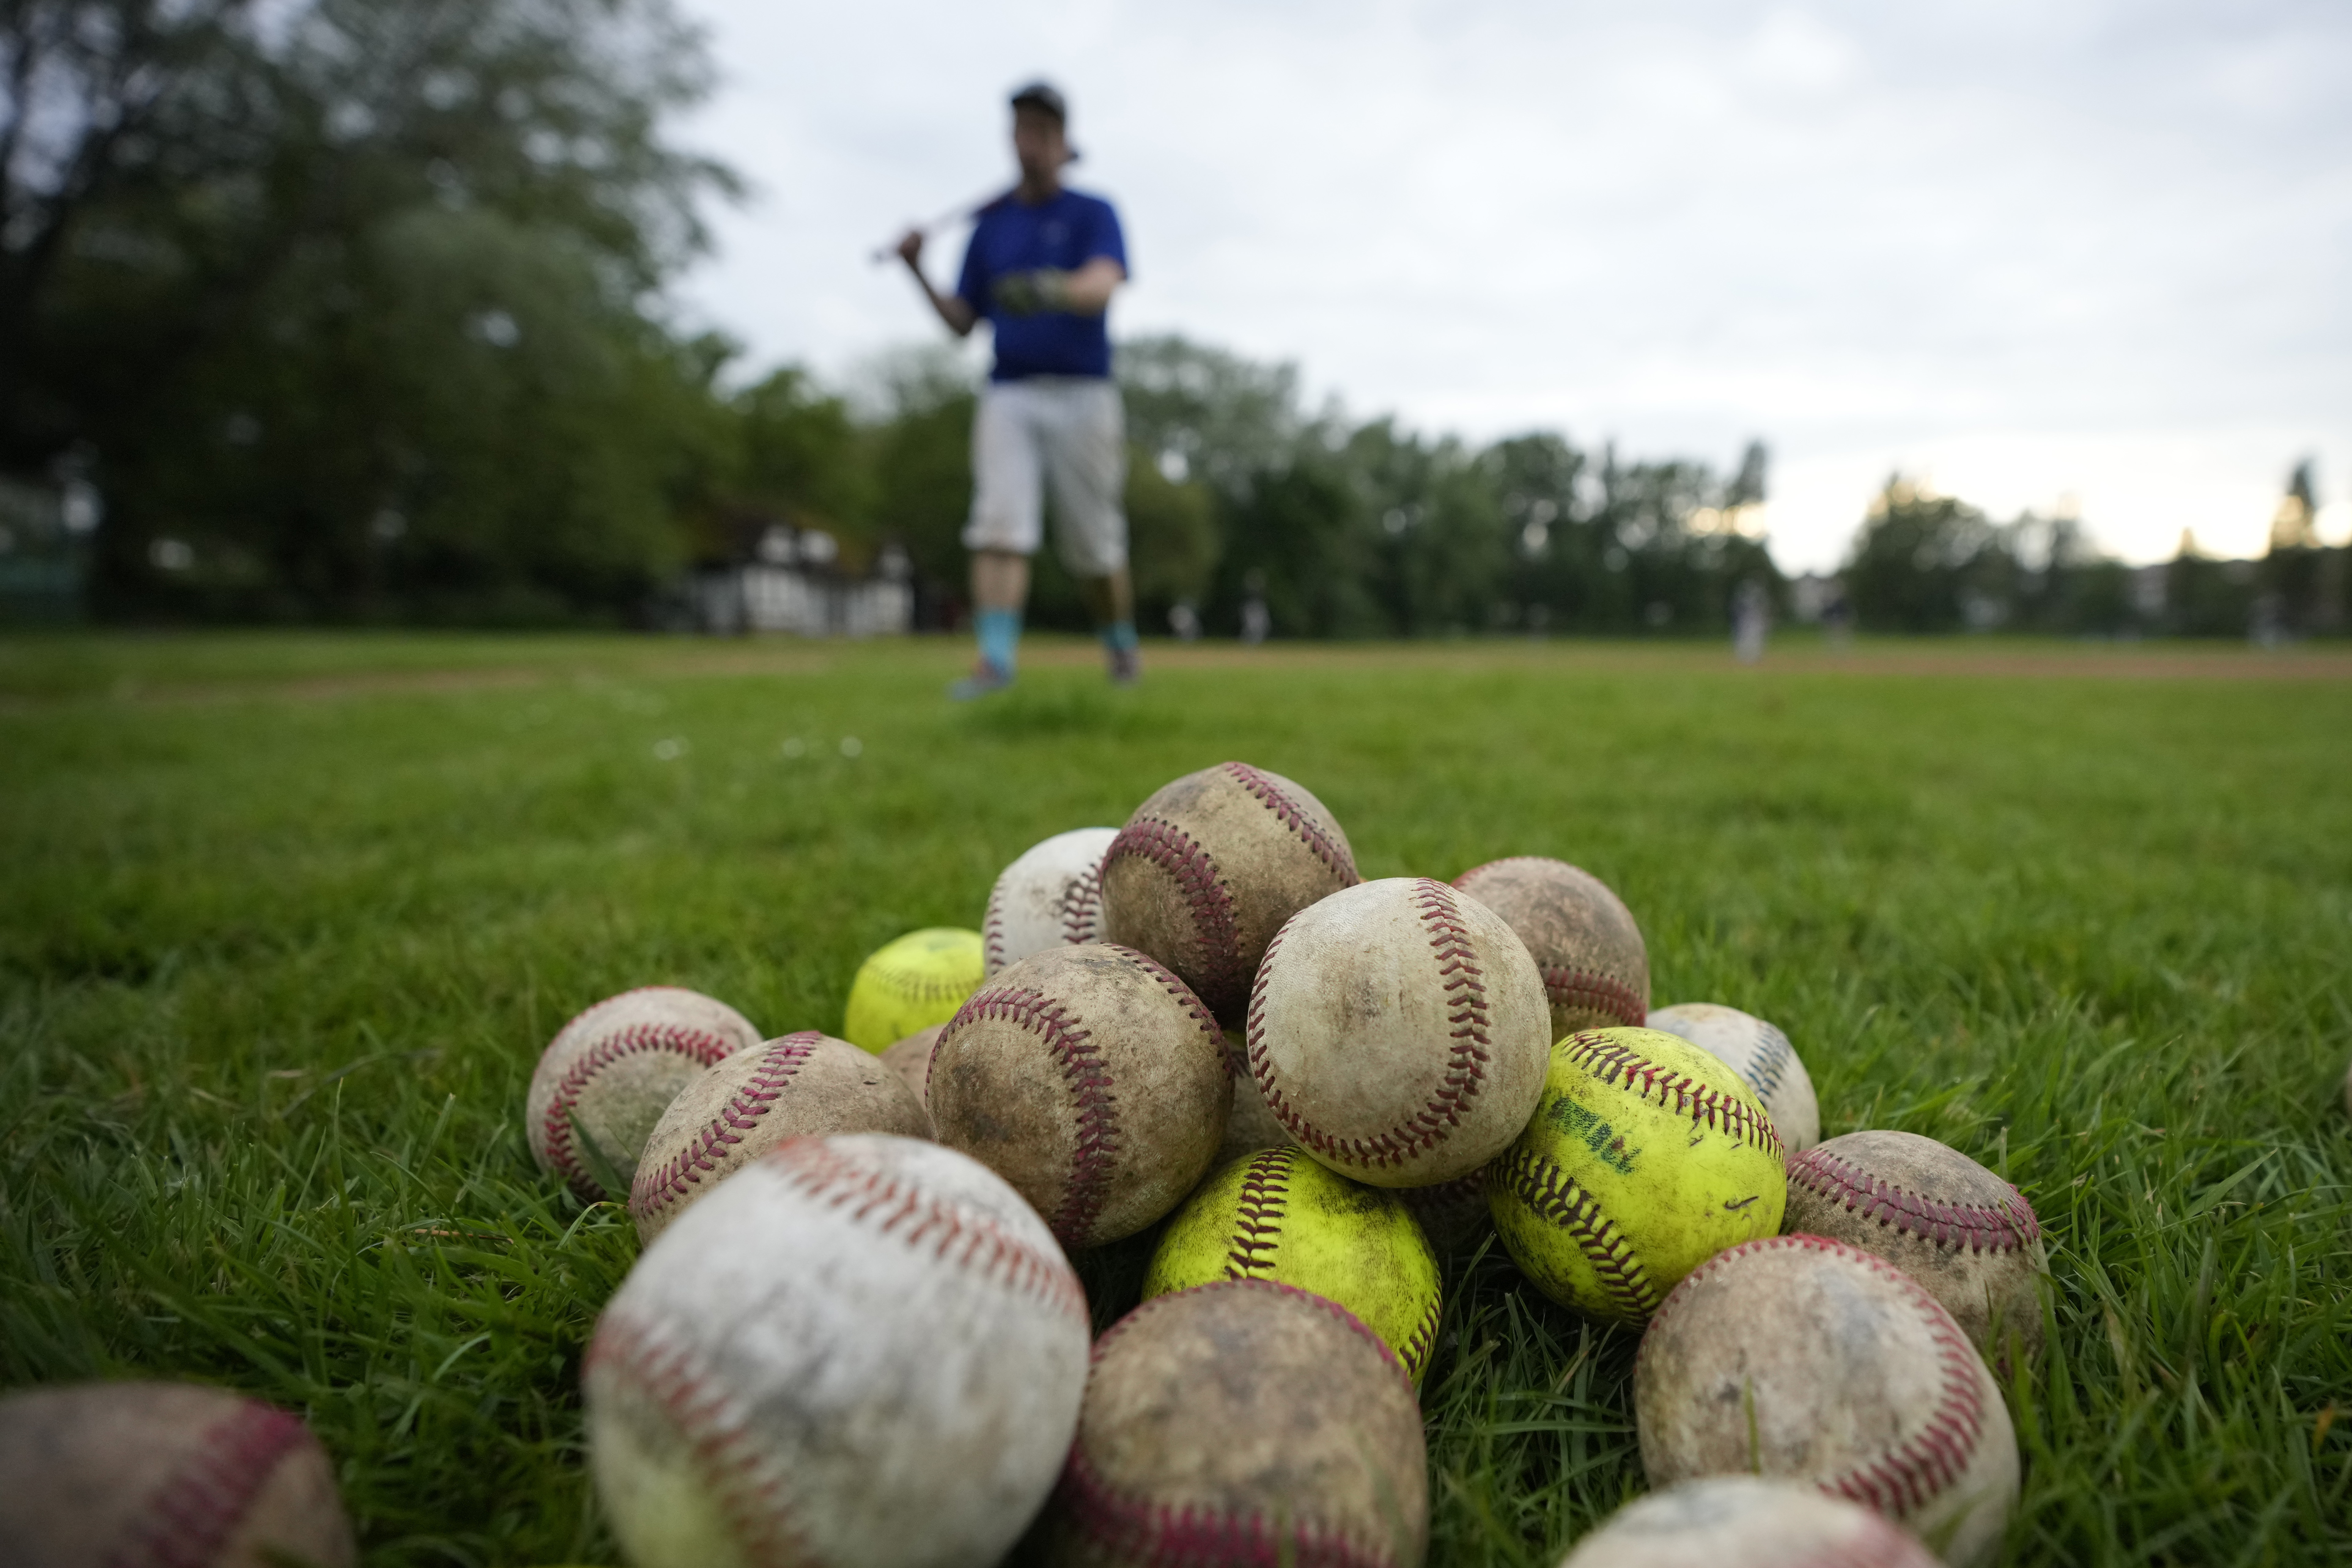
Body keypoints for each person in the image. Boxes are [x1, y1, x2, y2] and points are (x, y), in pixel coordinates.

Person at [896, 82, 1137, 698]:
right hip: (1009, 391)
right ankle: (994, 663)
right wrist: (917, 269)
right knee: (999, 526)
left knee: (1093, 546)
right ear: (1012, 140)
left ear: (1063, 144)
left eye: (1043, 133)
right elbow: (961, 323)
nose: (1031, 144)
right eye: (1022, 132)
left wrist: (1051, 290)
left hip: (1085, 392)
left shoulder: (1092, 212)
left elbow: (1102, 283)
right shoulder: (991, 228)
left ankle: (1118, 647)